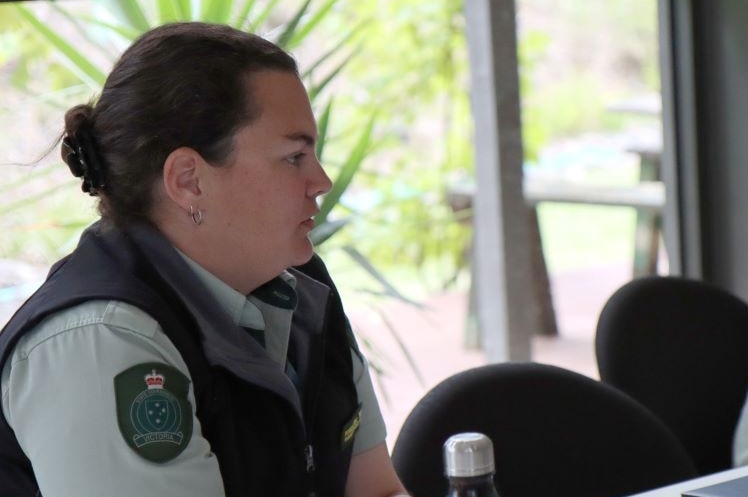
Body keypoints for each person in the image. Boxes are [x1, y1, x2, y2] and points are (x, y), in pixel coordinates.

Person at [0, 22, 410, 497]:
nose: (320, 180)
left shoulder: (301, 289)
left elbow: (377, 490)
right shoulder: (101, 340)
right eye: (294, 157)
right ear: (189, 180)